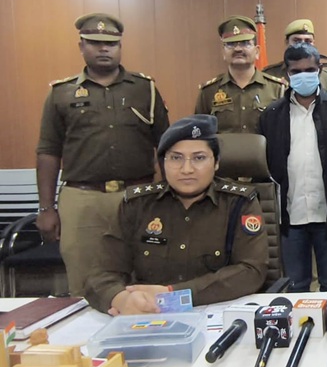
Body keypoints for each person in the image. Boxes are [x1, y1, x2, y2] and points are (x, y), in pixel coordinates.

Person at [36, 13, 170, 296]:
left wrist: (169, 195)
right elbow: (48, 151)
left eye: (111, 43)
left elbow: (165, 145)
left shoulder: (145, 89)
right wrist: (46, 208)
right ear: (81, 46)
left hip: (138, 196)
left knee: (144, 276)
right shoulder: (62, 93)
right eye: (95, 43)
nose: (104, 49)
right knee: (84, 279)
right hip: (83, 199)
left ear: (120, 46)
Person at [85, 115, 270, 315]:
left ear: (216, 162)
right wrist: (121, 300)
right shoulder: (137, 204)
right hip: (149, 314)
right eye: (176, 158)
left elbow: (251, 271)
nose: (187, 169)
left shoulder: (239, 203)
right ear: (163, 163)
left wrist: (173, 295)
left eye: (199, 158)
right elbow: (100, 275)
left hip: (216, 313)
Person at [258, 43, 327, 292]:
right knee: (295, 285)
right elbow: (265, 167)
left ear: (319, 70)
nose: (303, 76)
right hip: (290, 217)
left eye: (309, 70)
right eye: (296, 71)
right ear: (287, 73)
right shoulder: (271, 115)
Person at [195, 16, 284, 133]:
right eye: (230, 44)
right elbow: (200, 134)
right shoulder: (209, 91)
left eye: (245, 43)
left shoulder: (277, 89)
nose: (238, 49)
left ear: (257, 51)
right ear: (223, 52)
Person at [262, 19, 327, 93]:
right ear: (287, 42)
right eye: (297, 41)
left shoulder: (326, 76)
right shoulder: (270, 74)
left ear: (313, 43)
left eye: (308, 41)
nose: (302, 45)